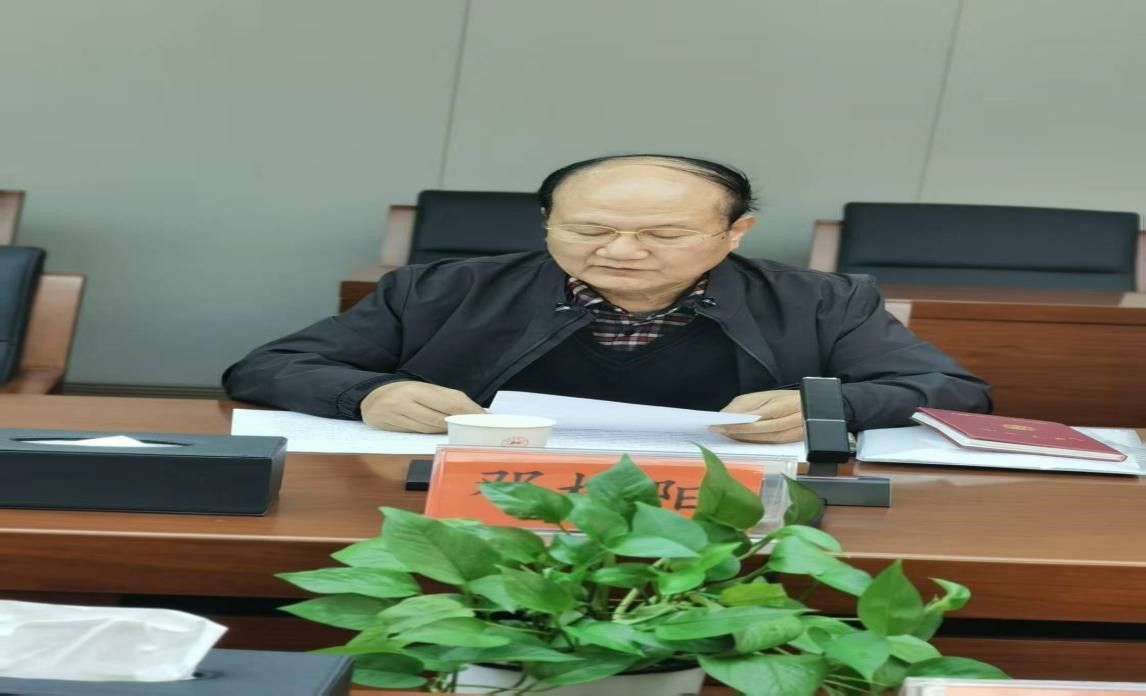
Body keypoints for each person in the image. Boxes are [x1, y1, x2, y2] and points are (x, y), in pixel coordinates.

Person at [223, 154, 990, 443]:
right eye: (589, 229)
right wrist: (369, 395)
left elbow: (955, 391)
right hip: (482, 498)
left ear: (735, 233)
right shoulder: (440, 288)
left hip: (730, 511)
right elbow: (265, 368)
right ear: (547, 222)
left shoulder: (824, 301)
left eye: (662, 234)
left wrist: (833, 407)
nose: (621, 251)